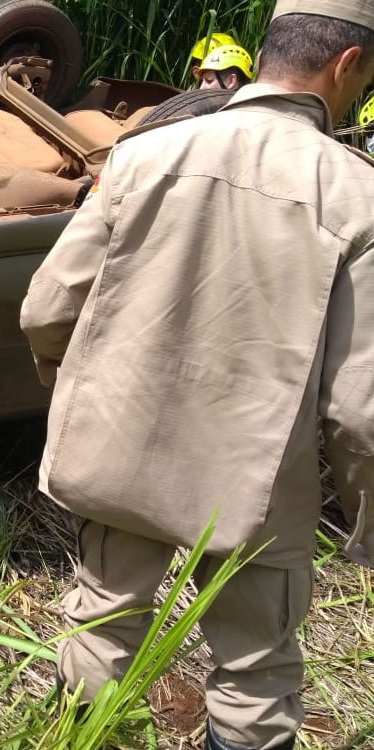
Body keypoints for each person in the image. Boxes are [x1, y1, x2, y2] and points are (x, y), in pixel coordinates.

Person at [19, 1, 374, 749]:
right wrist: (365, 528)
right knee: (256, 672)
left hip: (120, 442)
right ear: (347, 66)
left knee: (101, 625)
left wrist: (81, 396)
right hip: (256, 478)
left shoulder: (144, 153)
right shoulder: (358, 195)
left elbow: (47, 308)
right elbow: (359, 410)